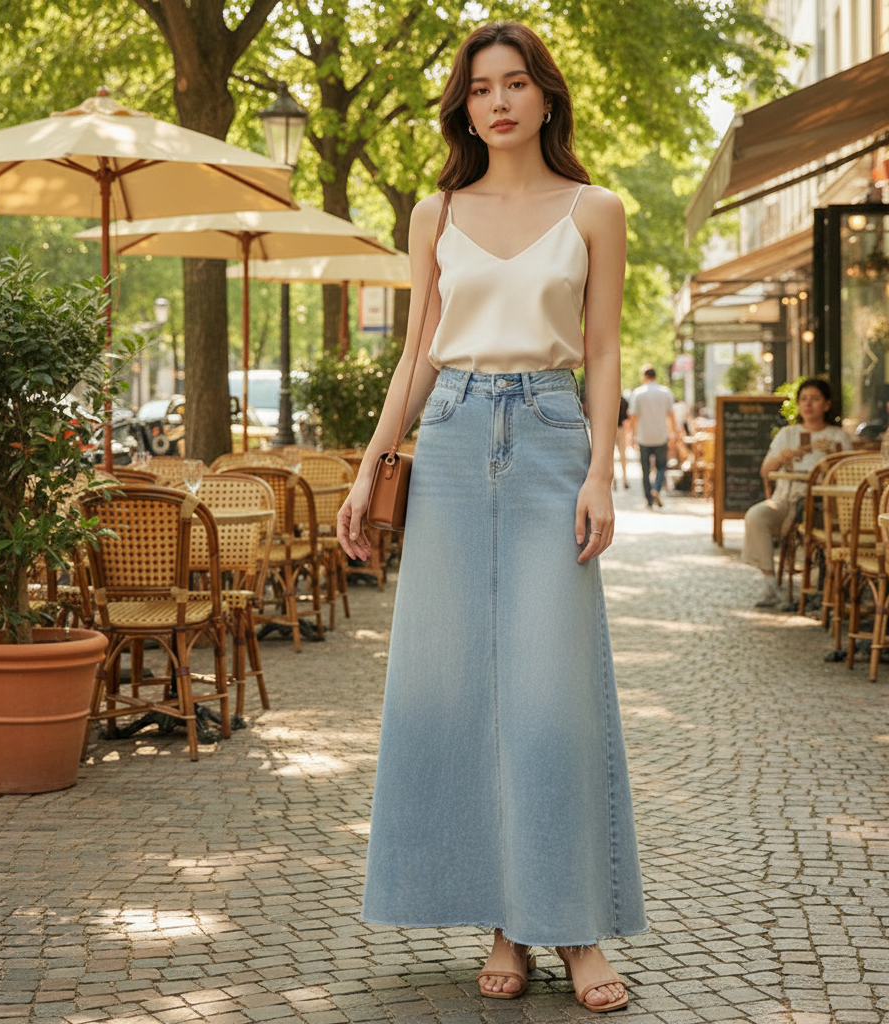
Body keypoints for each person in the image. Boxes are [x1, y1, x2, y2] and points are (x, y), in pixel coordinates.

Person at [336, 22, 645, 1013]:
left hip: (553, 438)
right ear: (464, 106)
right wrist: (370, 466)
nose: (499, 101)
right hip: (459, 442)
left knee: (554, 695)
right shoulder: (434, 213)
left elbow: (602, 352)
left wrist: (601, 471)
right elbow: (417, 353)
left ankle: (575, 930)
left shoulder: (595, 210)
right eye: (481, 88)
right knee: (460, 688)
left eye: (516, 84)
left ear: (546, 98)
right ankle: (505, 922)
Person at [742, 378, 851, 607]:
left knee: (819, 520)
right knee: (756, 515)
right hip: (785, 498)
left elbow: (848, 472)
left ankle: (820, 587)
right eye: (804, 399)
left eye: (815, 399)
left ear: (827, 405)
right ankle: (770, 582)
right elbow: (765, 471)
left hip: (826, 504)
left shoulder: (838, 436)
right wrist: (782, 457)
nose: (808, 404)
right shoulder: (787, 435)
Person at [627, 365, 678, 508]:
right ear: (655, 376)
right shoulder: (665, 392)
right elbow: (671, 415)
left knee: (645, 469)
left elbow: (633, 417)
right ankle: (656, 488)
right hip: (661, 435)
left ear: (644, 376)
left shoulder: (638, 393)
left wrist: (632, 435)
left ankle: (649, 500)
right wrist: (674, 433)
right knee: (662, 466)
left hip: (643, 437)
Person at [614, 392, 630, 490]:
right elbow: (627, 417)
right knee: (623, 455)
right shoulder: (624, 401)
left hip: (610, 429)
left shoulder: (607, 400)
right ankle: (624, 479)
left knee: (610, 457)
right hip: (621, 429)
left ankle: (614, 480)